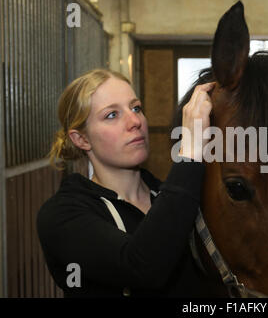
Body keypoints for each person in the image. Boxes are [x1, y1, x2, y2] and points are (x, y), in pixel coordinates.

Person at [37, 69, 217, 297]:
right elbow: (143, 267)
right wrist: (190, 152)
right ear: (81, 139)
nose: (135, 121)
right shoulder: (61, 215)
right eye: (111, 115)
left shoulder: (169, 196)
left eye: (136, 108)